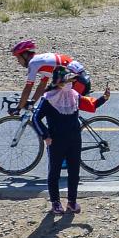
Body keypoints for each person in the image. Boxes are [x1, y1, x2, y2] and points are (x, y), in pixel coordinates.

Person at [12, 37, 90, 215]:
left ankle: (64, 150)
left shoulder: (33, 63)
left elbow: (28, 88)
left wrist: (19, 106)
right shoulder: (43, 64)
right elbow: (42, 87)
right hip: (80, 77)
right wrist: (32, 102)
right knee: (54, 99)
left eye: (18, 58)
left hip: (77, 80)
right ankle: (65, 153)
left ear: (25, 55)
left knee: (61, 106)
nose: (18, 62)